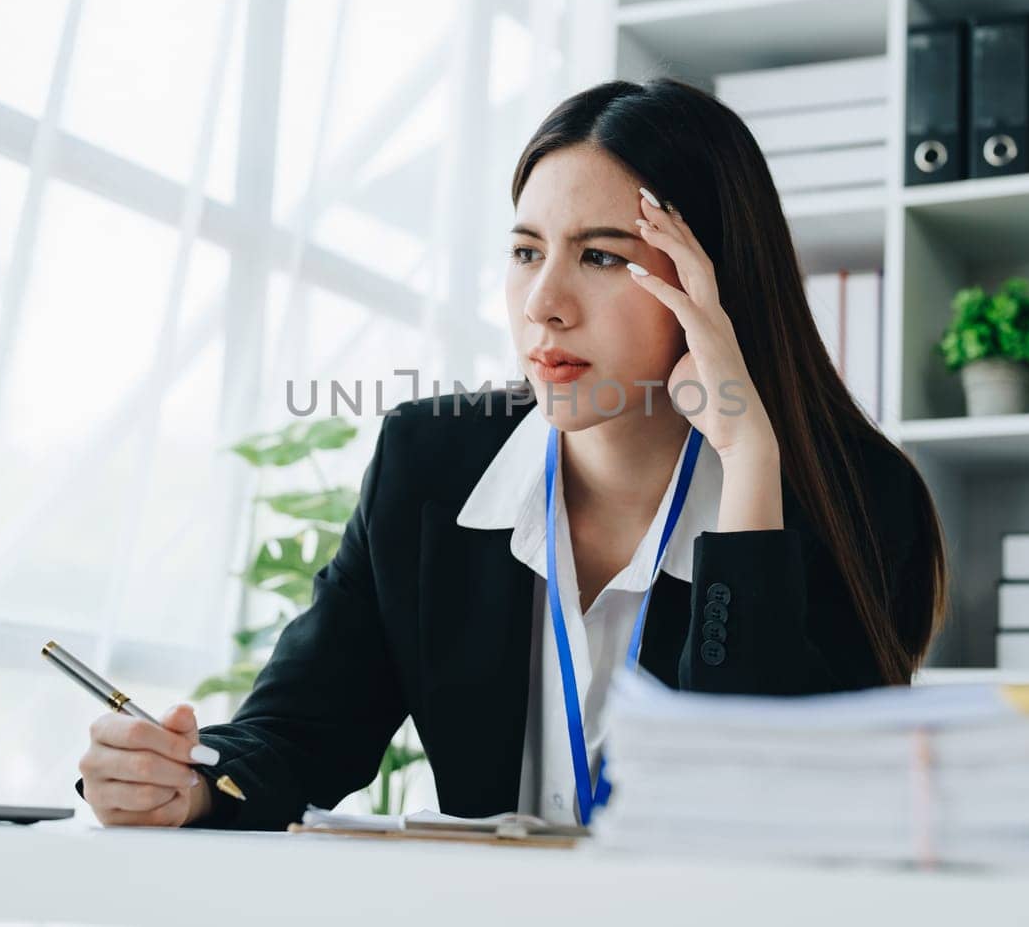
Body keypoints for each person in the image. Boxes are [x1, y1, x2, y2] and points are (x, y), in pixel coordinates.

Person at [76, 77, 950, 830]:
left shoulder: (863, 501)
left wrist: (751, 463)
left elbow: (770, 809)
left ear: (712, 278)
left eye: (601, 256)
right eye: (526, 251)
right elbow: (300, 730)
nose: (543, 304)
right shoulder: (431, 462)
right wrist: (184, 784)